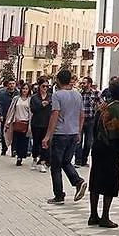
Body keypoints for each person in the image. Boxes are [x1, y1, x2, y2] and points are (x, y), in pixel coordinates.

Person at [88, 79, 119, 228]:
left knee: (95, 180)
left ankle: (93, 215)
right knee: (110, 182)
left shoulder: (102, 108)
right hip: (112, 150)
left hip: (98, 148)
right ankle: (105, 216)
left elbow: (94, 128)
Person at [44, 69, 87, 204]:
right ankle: (77, 182)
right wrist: (79, 132)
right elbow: (81, 115)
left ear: (58, 80)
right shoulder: (77, 95)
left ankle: (59, 195)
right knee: (66, 161)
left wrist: (47, 136)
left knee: (56, 166)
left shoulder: (57, 95)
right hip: (73, 132)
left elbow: (54, 115)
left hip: (60, 133)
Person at [5, 83, 34, 166]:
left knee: (24, 141)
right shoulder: (16, 99)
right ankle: (16, 153)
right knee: (16, 139)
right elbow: (12, 110)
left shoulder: (30, 100)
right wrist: (8, 122)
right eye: (23, 88)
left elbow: (31, 113)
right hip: (16, 122)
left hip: (25, 123)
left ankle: (20, 157)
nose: (24, 90)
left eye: (26, 89)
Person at [29, 80, 52, 173]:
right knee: (36, 142)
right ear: (39, 86)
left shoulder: (50, 97)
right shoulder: (34, 97)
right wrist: (41, 105)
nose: (45, 88)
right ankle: (34, 159)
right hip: (36, 123)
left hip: (47, 123)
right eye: (43, 86)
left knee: (45, 143)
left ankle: (42, 162)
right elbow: (33, 109)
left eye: (47, 86)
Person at [76, 78, 100, 166]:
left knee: (88, 142)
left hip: (90, 120)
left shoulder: (95, 94)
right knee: (78, 140)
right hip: (80, 119)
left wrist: (97, 108)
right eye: (82, 83)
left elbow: (101, 104)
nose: (83, 84)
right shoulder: (79, 94)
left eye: (84, 83)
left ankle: (84, 160)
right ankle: (78, 161)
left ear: (89, 84)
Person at [0, 79, 16, 156]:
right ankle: (4, 148)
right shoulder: (2, 94)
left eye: (13, 83)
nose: (12, 85)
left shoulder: (18, 93)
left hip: (15, 116)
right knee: (5, 133)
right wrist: (0, 115)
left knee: (15, 133)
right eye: (10, 84)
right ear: (7, 85)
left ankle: (14, 150)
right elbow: (0, 105)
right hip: (5, 115)